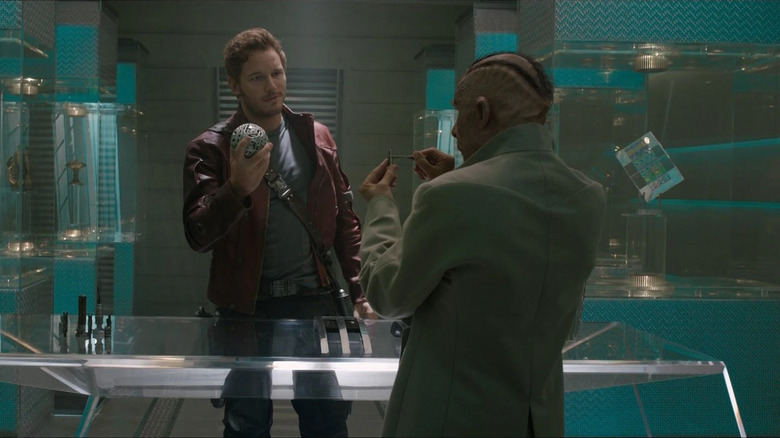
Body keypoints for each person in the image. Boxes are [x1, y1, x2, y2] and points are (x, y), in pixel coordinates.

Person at [358, 52, 606, 437]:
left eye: (459, 113)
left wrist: (380, 206)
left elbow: (388, 295)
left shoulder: (451, 196)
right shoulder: (588, 196)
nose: (456, 132)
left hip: (452, 421)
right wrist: (457, 178)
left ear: (483, 111)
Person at [183, 27, 375, 437]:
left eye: (277, 73)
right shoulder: (210, 148)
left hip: (314, 303)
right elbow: (198, 234)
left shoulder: (316, 137)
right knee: (246, 426)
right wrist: (235, 189)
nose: (272, 86)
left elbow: (344, 220)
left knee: (327, 423)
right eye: (257, 77)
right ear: (234, 85)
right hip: (245, 310)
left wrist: (361, 292)